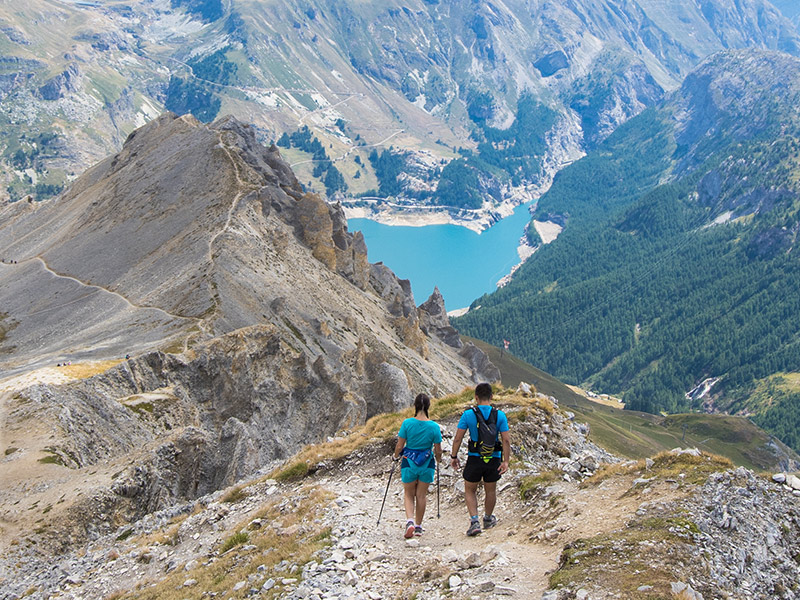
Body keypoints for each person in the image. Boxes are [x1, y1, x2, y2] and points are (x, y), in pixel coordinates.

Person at [449, 383, 511, 536]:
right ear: (491, 397)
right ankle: (488, 519)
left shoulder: (468, 414)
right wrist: (506, 461)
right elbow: (506, 440)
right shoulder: (500, 415)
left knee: (470, 489)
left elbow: (458, 438)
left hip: (475, 458)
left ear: (476, 397)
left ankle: (474, 521)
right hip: (494, 458)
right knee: (490, 490)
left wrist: (454, 456)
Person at [393, 393, 443, 539]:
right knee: (421, 495)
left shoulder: (407, 423)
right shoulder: (434, 427)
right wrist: (439, 459)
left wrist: (395, 457)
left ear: (415, 406)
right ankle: (419, 526)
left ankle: (410, 522)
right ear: (428, 406)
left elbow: (400, 445)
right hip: (427, 463)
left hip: (409, 462)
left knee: (409, 494)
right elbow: (438, 449)